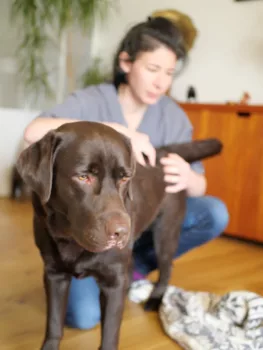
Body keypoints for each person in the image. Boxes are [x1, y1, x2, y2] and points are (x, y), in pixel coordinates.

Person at [24, 16, 229, 330]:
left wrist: (188, 177)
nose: (161, 82)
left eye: (169, 73)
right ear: (126, 62)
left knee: (214, 211)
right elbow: (34, 131)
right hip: (89, 222)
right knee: (83, 317)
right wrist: (119, 132)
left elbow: (199, 186)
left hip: (139, 212)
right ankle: (111, 265)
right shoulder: (92, 101)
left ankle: (133, 268)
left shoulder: (171, 114)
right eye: (152, 69)